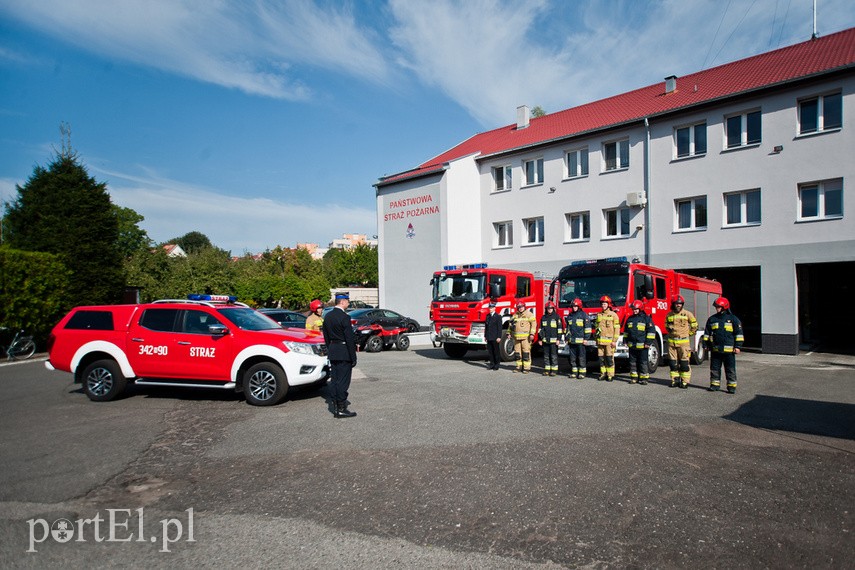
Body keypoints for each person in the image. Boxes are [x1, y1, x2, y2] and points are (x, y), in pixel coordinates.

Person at [321, 292, 357, 418]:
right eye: (347, 301)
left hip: (333, 350)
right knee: (343, 381)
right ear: (342, 302)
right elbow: (349, 338)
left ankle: (336, 406)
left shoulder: (328, 316)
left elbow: (326, 336)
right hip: (344, 351)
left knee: (335, 380)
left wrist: (331, 348)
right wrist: (353, 356)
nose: (348, 303)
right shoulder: (344, 317)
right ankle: (341, 408)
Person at [703, 296, 745, 394]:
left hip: (729, 352)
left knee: (730, 369)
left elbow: (739, 334)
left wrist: (738, 346)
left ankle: (731, 386)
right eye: (716, 307)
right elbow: (707, 333)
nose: (716, 308)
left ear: (724, 307)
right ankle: (714, 385)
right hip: (716, 349)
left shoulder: (733, 319)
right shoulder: (712, 319)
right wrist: (705, 344)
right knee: (714, 369)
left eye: (718, 307)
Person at [665, 295, 698, 389]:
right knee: (673, 363)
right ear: (673, 304)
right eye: (676, 303)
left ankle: (684, 381)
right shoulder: (669, 315)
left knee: (684, 363)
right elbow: (666, 325)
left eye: (680, 304)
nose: (678, 305)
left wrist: (688, 334)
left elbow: (695, 325)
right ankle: (674, 380)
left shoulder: (687, 314)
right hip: (672, 343)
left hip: (684, 344)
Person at [624, 300, 655, 384]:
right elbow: (626, 332)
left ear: (640, 309)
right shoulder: (630, 319)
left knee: (643, 362)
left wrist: (648, 343)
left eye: (636, 309)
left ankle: (644, 378)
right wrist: (625, 341)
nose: (634, 311)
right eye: (633, 309)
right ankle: (634, 378)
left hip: (642, 346)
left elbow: (651, 332)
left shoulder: (646, 319)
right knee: (632, 362)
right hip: (632, 345)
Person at [564, 298, 592, 379]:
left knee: (581, 357)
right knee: (572, 358)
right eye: (573, 306)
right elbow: (567, 328)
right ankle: (574, 372)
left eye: (576, 306)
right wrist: (567, 338)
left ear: (579, 306)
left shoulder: (583, 315)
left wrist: (586, 338)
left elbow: (587, 328)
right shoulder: (570, 316)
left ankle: (582, 373)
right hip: (572, 341)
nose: (574, 308)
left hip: (581, 342)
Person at [595, 296, 620, 381]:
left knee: (609, 359)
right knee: (601, 359)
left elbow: (617, 329)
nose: (603, 305)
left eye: (605, 304)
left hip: (609, 342)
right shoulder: (599, 315)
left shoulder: (613, 315)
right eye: (602, 304)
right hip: (600, 342)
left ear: (608, 305)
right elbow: (597, 328)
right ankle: (603, 373)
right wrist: (596, 339)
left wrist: (614, 341)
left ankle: (610, 375)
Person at [508, 300, 537, 373]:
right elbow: (510, 324)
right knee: (517, 353)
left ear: (524, 307)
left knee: (526, 353)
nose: (520, 308)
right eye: (519, 307)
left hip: (526, 338)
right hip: (516, 337)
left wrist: (532, 334)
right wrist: (508, 333)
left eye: (521, 307)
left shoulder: (529, 314)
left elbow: (534, 325)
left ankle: (526, 368)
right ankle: (518, 367)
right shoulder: (515, 315)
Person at [538, 301, 563, 376]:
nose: (549, 309)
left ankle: (554, 371)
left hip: (554, 341)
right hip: (545, 341)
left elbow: (559, 329)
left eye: (551, 308)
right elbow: (540, 329)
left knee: (553, 356)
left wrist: (558, 339)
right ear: (546, 309)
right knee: (546, 356)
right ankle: (547, 370)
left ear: (553, 309)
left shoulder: (557, 317)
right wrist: (540, 339)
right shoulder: (543, 317)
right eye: (548, 308)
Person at [484, 301, 503, 370]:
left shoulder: (498, 316)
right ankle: (492, 364)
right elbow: (486, 327)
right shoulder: (488, 316)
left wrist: (499, 337)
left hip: (495, 337)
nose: (490, 309)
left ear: (494, 308)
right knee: (490, 352)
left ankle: (497, 365)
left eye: (491, 308)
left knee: (496, 351)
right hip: (489, 336)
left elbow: (499, 328)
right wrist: (485, 336)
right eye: (489, 308)